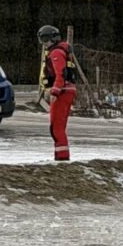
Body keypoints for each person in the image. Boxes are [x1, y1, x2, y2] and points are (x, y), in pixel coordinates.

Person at [39, 24, 76, 162]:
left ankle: (62, 158)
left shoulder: (55, 53)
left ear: (50, 39)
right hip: (68, 90)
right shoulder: (63, 50)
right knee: (59, 127)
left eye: (44, 40)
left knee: (56, 127)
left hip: (62, 91)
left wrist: (54, 92)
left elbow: (60, 74)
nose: (44, 44)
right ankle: (61, 156)